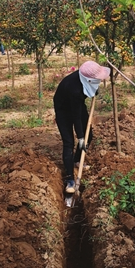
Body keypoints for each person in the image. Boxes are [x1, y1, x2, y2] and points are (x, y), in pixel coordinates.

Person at [53, 61, 110, 194]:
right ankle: (70, 180)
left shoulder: (85, 79)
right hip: (63, 109)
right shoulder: (75, 89)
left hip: (77, 105)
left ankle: (77, 160)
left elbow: (79, 112)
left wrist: (84, 138)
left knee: (88, 135)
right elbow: (76, 116)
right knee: (69, 143)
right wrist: (80, 138)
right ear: (88, 79)